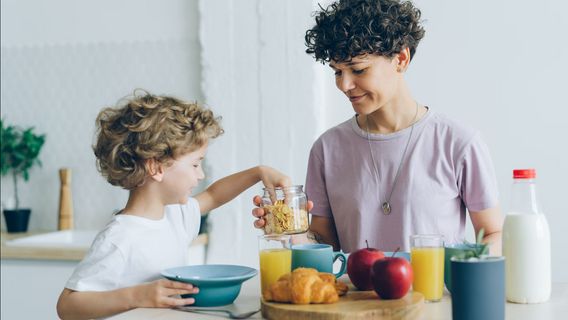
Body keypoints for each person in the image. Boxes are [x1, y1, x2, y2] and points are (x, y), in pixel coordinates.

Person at [252, 0, 502, 255]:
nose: (344, 85)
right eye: (337, 72)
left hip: (432, 295)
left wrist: (463, 271)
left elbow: (493, 233)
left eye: (358, 70)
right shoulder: (327, 149)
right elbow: (326, 246)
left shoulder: (458, 143)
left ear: (401, 59)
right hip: (356, 295)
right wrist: (290, 232)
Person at [56, 91, 291, 319]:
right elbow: (67, 306)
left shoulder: (175, 215)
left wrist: (258, 173)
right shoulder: (119, 238)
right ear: (156, 167)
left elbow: (214, 195)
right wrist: (136, 295)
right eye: (195, 164)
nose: (200, 175)